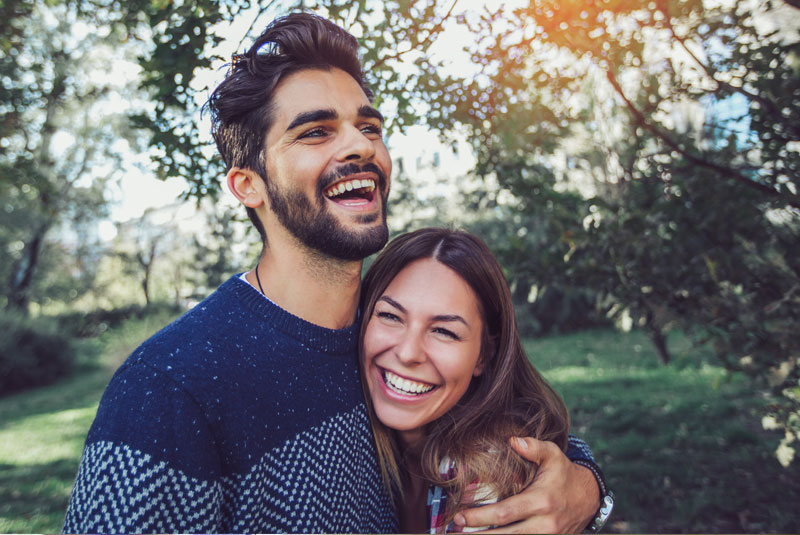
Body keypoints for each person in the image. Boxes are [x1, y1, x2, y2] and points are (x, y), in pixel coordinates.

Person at [62, 12, 606, 534]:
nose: (359, 145)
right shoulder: (169, 387)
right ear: (248, 185)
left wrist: (586, 487)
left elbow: (508, 413)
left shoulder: (388, 334)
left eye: (368, 126)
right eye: (316, 132)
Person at [359, 228, 612, 533]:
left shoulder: (487, 483)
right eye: (390, 316)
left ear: (483, 356)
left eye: (444, 331)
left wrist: (589, 489)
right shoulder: (346, 426)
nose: (408, 352)